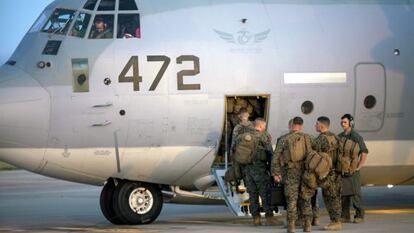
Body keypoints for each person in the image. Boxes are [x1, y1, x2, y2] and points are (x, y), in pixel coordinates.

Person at [272, 116, 313, 233]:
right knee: (306, 199)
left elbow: (275, 157)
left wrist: (276, 173)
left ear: (291, 125)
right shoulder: (308, 138)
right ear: (301, 125)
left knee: (291, 200)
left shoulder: (284, 139)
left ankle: (291, 226)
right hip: (306, 174)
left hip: (290, 173)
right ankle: (307, 225)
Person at [240, 118, 282, 226]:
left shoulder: (244, 136)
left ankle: (256, 219)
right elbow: (270, 153)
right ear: (261, 126)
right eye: (264, 126)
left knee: (253, 194)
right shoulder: (264, 136)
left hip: (247, 171)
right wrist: (274, 171)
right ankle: (269, 218)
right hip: (260, 169)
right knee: (265, 193)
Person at [312, 116, 342, 230]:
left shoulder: (321, 139)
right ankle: (336, 220)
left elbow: (314, 154)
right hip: (336, 171)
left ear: (322, 126)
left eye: (316, 124)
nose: (315, 126)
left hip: (327, 173)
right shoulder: (335, 137)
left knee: (329, 197)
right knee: (335, 196)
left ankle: (335, 222)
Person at [338, 114, 368, 224]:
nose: (342, 124)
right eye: (341, 122)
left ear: (350, 123)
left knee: (355, 193)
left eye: (345, 122)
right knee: (344, 193)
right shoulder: (340, 135)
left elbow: (364, 151)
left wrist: (360, 166)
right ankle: (345, 216)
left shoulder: (355, 136)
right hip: (343, 170)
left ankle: (359, 215)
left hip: (353, 170)